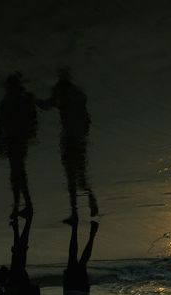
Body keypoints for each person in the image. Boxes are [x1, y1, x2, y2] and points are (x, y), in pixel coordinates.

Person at [38, 67, 99, 221]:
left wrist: (34, 99)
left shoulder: (61, 91)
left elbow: (47, 105)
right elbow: (87, 119)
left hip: (69, 138)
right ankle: (90, 198)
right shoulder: (77, 93)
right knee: (80, 173)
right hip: (79, 138)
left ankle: (75, 212)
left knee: (71, 175)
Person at [0, 72, 38, 219]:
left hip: (14, 141)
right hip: (19, 140)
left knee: (17, 173)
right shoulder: (23, 100)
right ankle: (21, 205)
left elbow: (0, 124)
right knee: (17, 172)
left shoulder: (7, 102)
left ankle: (23, 205)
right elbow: (32, 123)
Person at [0, 213, 41, 295]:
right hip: (17, 288)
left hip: (22, 289)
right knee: (18, 254)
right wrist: (1, 287)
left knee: (18, 254)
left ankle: (18, 226)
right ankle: (27, 220)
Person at [63, 214, 99, 295]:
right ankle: (74, 226)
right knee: (72, 257)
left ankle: (92, 233)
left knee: (83, 262)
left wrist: (87, 294)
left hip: (83, 294)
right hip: (71, 293)